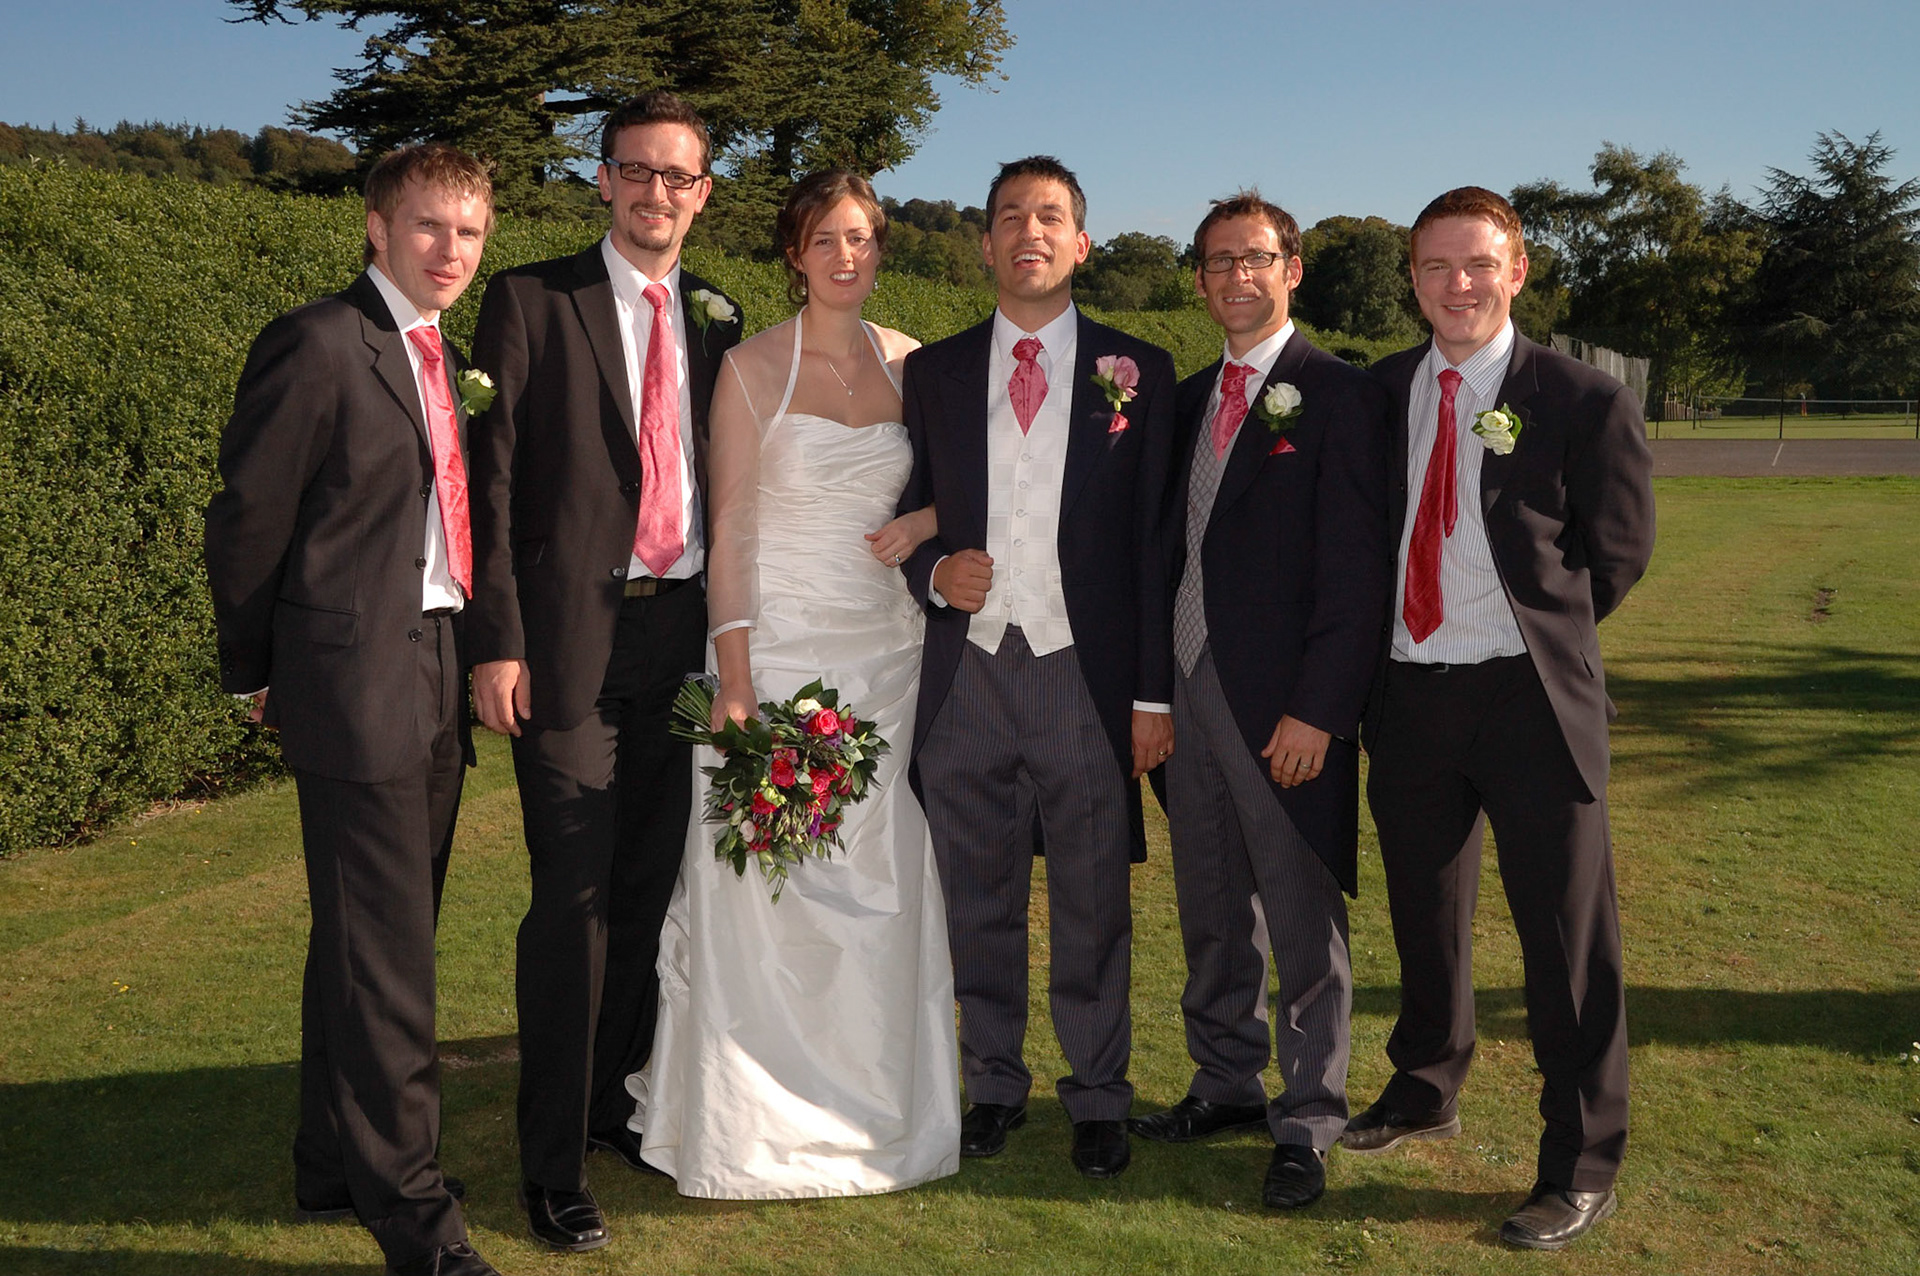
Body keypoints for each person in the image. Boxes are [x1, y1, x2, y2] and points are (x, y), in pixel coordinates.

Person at [624, 169, 960, 1199]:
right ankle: (755, 1113)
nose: (845, 256)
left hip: (890, 657)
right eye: (825, 240)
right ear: (794, 255)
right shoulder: (750, 367)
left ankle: (874, 1103)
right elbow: (730, 529)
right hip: (775, 652)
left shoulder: (917, 364)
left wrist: (927, 520)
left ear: (880, 248)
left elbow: (975, 484)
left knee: (881, 881)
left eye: (861, 237)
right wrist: (734, 677)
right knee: (766, 883)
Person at [203, 143, 500, 1276]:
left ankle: (332, 1159)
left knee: (369, 934)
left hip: (434, 665)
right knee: (388, 961)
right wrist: (255, 669)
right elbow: (247, 521)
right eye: (429, 226)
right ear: (377, 227)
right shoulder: (321, 341)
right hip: (353, 681)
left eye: (469, 232)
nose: (450, 251)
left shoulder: (444, 354)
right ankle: (417, 1218)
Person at [1345, 186, 1654, 1250]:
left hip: (1531, 702)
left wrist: (1537, 639)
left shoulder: (1581, 398)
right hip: (1409, 695)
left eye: (1479, 263)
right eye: (1436, 266)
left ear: (1516, 271)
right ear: (1413, 281)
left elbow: (1616, 557)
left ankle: (1581, 1161)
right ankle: (1425, 1086)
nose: (1458, 284)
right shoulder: (1378, 392)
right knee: (1424, 915)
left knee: (1567, 942)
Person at [465, 91, 741, 1253]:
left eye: (677, 176)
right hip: (570, 645)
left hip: (682, 647)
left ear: (703, 193)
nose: (655, 192)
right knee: (571, 897)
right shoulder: (530, 299)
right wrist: (497, 639)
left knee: (645, 885)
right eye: (636, 169)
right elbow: (487, 481)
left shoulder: (722, 317)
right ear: (603, 179)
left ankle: (607, 1105)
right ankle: (550, 1164)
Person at [898, 156, 1177, 1181]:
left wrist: (1151, 693)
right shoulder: (934, 371)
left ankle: (1098, 1094)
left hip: (1082, 677)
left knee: (1094, 899)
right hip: (967, 676)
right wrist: (935, 573)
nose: (1031, 230)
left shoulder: (1139, 369)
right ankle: (993, 1084)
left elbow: (1155, 544)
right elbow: (907, 507)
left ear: (1081, 243)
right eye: (1011, 214)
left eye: (1051, 215)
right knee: (976, 895)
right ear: (985, 244)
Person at [1128, 192, 1390, 1209]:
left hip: (1284, 708)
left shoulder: (1340, 395)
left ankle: (1310, 1114)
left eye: (1256, 258)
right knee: (1210, 906)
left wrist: (1321, 709)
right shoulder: (1186, 397)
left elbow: (1355, 571)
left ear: (1292, 269)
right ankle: (1225, 1080)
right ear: (1199, 280)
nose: (1237, 276)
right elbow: (1164, 552)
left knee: (1300, 917)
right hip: (1187, 692)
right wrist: (1152, 691)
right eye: (1218, 261)